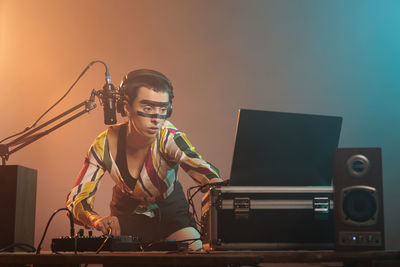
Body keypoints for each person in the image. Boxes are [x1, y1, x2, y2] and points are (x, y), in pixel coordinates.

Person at [66, 69, 222, 251]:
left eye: (163, 109)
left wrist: (222, 190)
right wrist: (96, 220)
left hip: (172, 216)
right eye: (148, 108)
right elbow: (77, 199)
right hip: (125, 219)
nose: (157, 118)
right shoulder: (104, 144)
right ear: (126, 107)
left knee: (196, 255)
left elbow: (203, 170)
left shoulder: (169, 136)